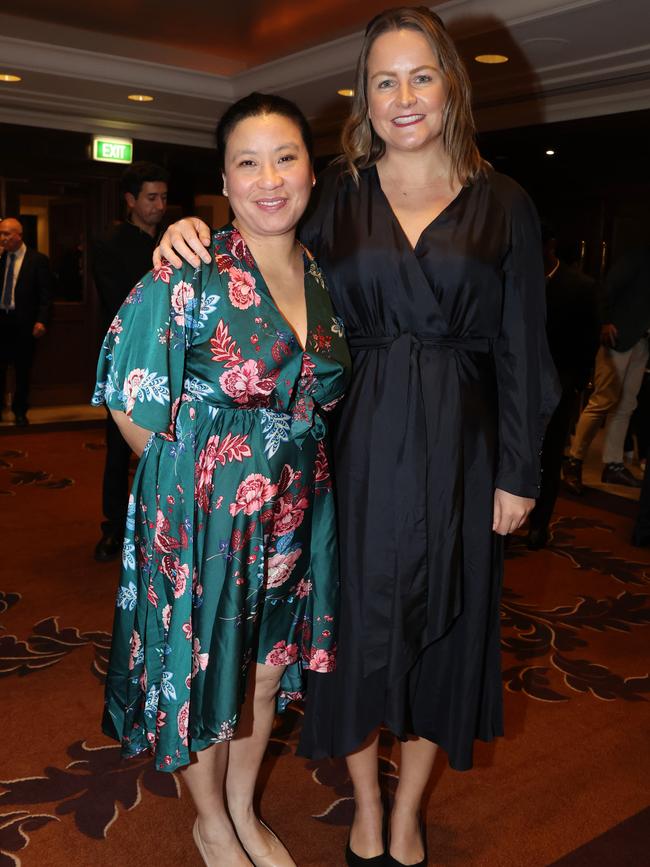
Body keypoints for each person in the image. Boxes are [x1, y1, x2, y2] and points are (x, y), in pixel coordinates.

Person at [156, 8, 559, 866]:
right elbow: (262, 244)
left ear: (452, 82)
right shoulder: (336, 189)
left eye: (421, 75)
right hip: (350, 446)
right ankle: (366, 803)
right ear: (363, 98)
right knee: (348, 637)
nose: (403, 96)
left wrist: (519, 472)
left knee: (445, 636)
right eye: (384, 80)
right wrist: (186, 234)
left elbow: (526, 348)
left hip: (464, 446)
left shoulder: (507, 203)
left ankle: (408, 808)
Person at [92, 93, 350, 867]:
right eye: (248, 162)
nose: (269, 178)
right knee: (208, 680)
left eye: (286, 157)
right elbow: (128, 393)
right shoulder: (193, 266)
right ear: (227, 183)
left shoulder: (323, 273)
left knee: (265, 677)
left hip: (298, 506)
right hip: (205, 514)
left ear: (312, 169)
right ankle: (210, 822)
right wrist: (187, 489)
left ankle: (243, 805)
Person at [92, 162, 169, 561]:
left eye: (162, 197)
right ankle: (113, 527)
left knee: (169, 444)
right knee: (119, 446)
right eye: (150, 197)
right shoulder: (110, 243)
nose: (159, 205)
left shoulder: (176, 241)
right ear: (131, 200)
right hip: (129, 358)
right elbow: (118, 305)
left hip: (173, 355)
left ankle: (161, 526)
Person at [527, 224, 600, 548]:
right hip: (518, 383)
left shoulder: (581, 287)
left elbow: (588, 340)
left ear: (550, 246)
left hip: (560, 383)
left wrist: (578, 382)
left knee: (550, 455)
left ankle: (538, 525)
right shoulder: (515, 280)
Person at [563, 242, 650, 493]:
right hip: (617, 337)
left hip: (642, 342)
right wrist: (605, 322)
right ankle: (573, 461)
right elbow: (606, 289)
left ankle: (612, 465)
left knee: (627, 405)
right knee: (602, 400)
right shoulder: (638, 255)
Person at [0, 217, 52, 425]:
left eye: (6, 234)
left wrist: (42, 320)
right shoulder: (1, 258)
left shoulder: (37, 260)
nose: (2, 238)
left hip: (24, 322)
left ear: (18, 235)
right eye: (0, 234)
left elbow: (46, 294)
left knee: (23, 368)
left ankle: (20, 410)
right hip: (1, 320)